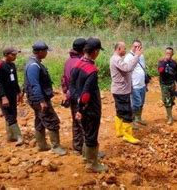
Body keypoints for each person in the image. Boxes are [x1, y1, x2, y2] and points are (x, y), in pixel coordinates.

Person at [69, 37, 108, 173]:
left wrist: (77, 103)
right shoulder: (92, 70)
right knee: (91, 133)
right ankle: (92, 164)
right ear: (95, 51)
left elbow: (72, 87)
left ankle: (86, 156)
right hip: (90, 108)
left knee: (86, 131)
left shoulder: (77, 65)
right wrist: (81, 108)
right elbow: (86, 94)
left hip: (80, 105)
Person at [24, 41, 66, 155]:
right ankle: (56, 147)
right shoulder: (34, 66)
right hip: (38, 99)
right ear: (41, 52)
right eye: (46, 51)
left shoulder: (33, 63)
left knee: (40, 120)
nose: (47, 53)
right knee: (52, 120)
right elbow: (34, 84)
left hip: (36, 98)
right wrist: (41, 101)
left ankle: (42, 145)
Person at [110, 41, 142, 144]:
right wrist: (136, 56)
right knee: (127, 113)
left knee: (120, 111)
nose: (125, 50)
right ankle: (127, 135)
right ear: (119, 49)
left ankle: (119, 131)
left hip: (120, 90)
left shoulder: (117, 59)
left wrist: (134, 53)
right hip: (121, 91)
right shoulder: (116, 59)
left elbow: (126, 65)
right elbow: (127, 68)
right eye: (124, 48)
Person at [0, 46, 24, 146]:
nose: (15, 56)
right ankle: (19, 136)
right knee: (9, 115)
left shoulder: (12, 65)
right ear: (6, 55)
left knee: (13, 113)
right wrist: (3, 96)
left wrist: (19, 92)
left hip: (12, 93)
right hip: (4, 94)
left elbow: (14, 80)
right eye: (13, 54)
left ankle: (10, 136)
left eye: (15, 54)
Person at [61, 38, 86, 155]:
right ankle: (88, 151)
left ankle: (77, 148)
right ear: (83, 49)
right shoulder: (80, 62)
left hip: (71, 95)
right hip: (79, 96)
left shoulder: (68, 61)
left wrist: (66, 93)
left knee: (76, 122)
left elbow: (64, 79)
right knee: (85, 123)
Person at [124, 40, 148, 128]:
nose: (137, 48)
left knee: (141, 103)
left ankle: (138, 118)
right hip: (134, 85)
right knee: (136, 104)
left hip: (142, 84)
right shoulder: (128, 57)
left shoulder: (141, 56)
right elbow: (126, 70)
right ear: (132, 46)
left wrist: (146, 82)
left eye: (139, 47)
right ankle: (132, 120)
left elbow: (143, 69)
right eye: (135, 46)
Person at [157, 47, 177, 125]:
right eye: (167, 53)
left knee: (171, 100)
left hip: (172, 84)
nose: (168, 55)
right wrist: (165, 61)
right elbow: (160, 70)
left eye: (170, 53)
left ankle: (169, 115)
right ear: (165, 53)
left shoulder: (174, 63)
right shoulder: (161, 62)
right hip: (164, 85)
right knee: (167, 101)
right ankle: (170, 117)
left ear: (172, 54)